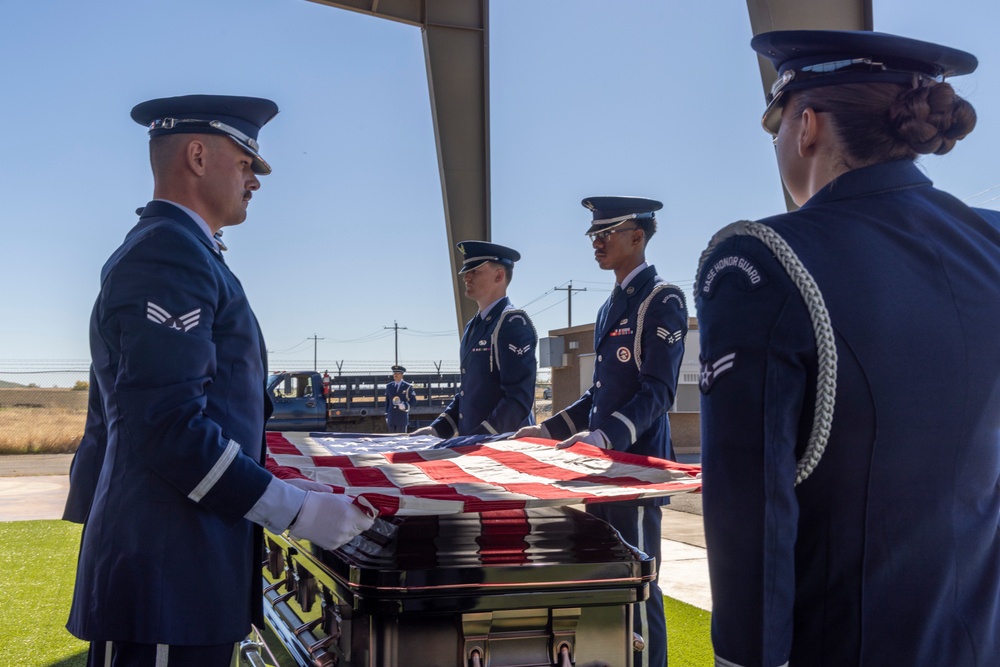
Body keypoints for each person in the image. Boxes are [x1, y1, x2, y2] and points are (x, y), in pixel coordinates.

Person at [696, 30, 1000, 667]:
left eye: (775, 124)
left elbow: (750, 512)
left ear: (807, 125)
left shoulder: (759, 260)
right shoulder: (991, 242)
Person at [62, 94, 374, 667]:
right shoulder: (169, 256)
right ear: (199, 156)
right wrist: (292, 509)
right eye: (247, 162)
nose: (254, 180)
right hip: (165, 576)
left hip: (179, 572)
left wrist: (286, 486)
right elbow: (164, 426)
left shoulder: (183, 253)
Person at [515, 197, 688, 667]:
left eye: (607, 232)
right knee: (605, 585)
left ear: (638, 236)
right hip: (600, 471)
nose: (597, 242)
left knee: (638, 586)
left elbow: (657, 391)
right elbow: (598, 394)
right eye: (594, 234)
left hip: (634, 472)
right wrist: (548, 430)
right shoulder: (612, 303)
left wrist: (604, 438)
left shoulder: (663, 298)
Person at [412, 241, 537, 437]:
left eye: (475, 271)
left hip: (500, 447)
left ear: (499, 275)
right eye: (466, 271)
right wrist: (437, 429)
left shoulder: (512, 322)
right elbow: (469, 392)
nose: (466, 277)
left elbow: (518, 398)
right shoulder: (474, 325)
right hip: (474, 445)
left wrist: (480, 438)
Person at [385, 364, 416, 433]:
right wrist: (386, 415)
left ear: (402, 375)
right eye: (394, 373)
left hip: (401, 417)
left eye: (397, 373)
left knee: (400, 440)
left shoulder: (407, 386)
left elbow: (413, 401)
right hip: (391, 416)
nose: (395, 375)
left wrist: (405, 405)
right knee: (391, 440)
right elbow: (387, 402)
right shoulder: (389, 386)